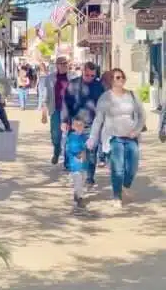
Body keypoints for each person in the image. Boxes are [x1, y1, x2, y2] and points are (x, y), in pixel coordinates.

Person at [87, 68, 146, 210]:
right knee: (117, 169)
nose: (120, 80)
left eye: (121, 77)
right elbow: (98, 120)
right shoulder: (105, 98)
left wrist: (136, 130)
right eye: (116, 78)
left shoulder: (132, 95)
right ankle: (117, 196)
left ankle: (125, 186)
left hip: (131, 136)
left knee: (132, 167)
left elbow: (142, 115)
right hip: (114, 137)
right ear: (111, 81)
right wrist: (92, 139)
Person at [61, 61, 103, 187]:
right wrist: (64, 120)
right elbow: (65, 104)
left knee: (91, 153)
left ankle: (90, 178)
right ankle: (76, 174)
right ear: (82, 72)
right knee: (75, 150)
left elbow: (104, 106)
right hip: (76, 124)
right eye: (87, 75)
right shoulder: (73, 84)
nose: (89, 78)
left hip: (93, 125)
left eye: (92, 76)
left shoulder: (99, 86)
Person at [38, 55, 70, 165]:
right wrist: (44, 112)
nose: (64, 65)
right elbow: (45, 95)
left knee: (68, 137)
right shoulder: (50, 78)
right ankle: (57, 151)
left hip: (69, 111)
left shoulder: (73, 78)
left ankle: (67, 160)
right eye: (61, 63)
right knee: (55, 135)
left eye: (65, 63)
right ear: (57, 65)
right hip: (55, 110)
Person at [65, 116, 89, 212]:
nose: (79, 127)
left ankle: (77, 193)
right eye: (77, 125)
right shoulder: (71, 137)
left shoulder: (85, 137)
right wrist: (81, 152)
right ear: (73, 126)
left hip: (84, 164)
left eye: (81, 125)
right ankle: (79, 198)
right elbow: (71, 148)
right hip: (75, 164)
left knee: (83, 179)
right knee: (78, 179)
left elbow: (89, 146)